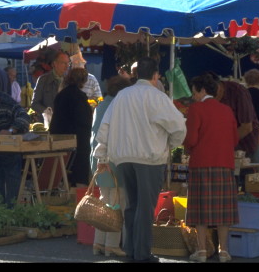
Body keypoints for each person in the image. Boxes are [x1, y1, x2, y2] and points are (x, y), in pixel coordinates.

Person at [93, 57, 186, 263]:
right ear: (155, 75)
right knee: (145, 207)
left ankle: (131, 249)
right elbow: (179, 127)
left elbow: (105, 126)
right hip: (149, 158)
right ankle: (142, 253)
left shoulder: (122, 96)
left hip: (123, 157)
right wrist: (171, 144)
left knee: (131, 205)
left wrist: (103, 154)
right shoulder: (158, 97)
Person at [184, 74, 240, 263]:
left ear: (202, 90)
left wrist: (186, 147)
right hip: (224, 164)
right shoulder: (227, 110)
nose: (193, 96)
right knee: (223, 211)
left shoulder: (196, 109)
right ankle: (224, 251)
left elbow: (191, 139)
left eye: (194, 92)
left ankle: (201, 251)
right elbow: (234, 139)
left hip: (201, 163)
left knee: (200, 209)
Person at [89, 75, 131, 257]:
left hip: (97, 161)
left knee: (104, 204)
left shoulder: (101, 105)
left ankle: (98, 243)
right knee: (116, 204)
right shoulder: (117, 107)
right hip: (111, 161)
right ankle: (112, 245)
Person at [49, 67, 93, 186]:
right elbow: (84, 120)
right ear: (83, 81)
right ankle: (78, 188)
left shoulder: (61, 94)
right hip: (77, 139)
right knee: (78, 168)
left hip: (59, 137)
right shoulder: (79, 97)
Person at [204, 71, 259, 158]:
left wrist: (222, 142)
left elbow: (247, 127)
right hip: (222, 148)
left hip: (245, 146)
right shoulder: (207, 99)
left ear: (219, 86)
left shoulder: (238, 91)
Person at [30, 49, 70, 121]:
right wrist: (47, 111)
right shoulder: (43, 80)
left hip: (65, 122)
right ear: (55, 64)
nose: (67, 66)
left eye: (68, 63)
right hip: (48, 122)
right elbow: (34, 104)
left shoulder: (69, 80)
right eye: (64, 63)